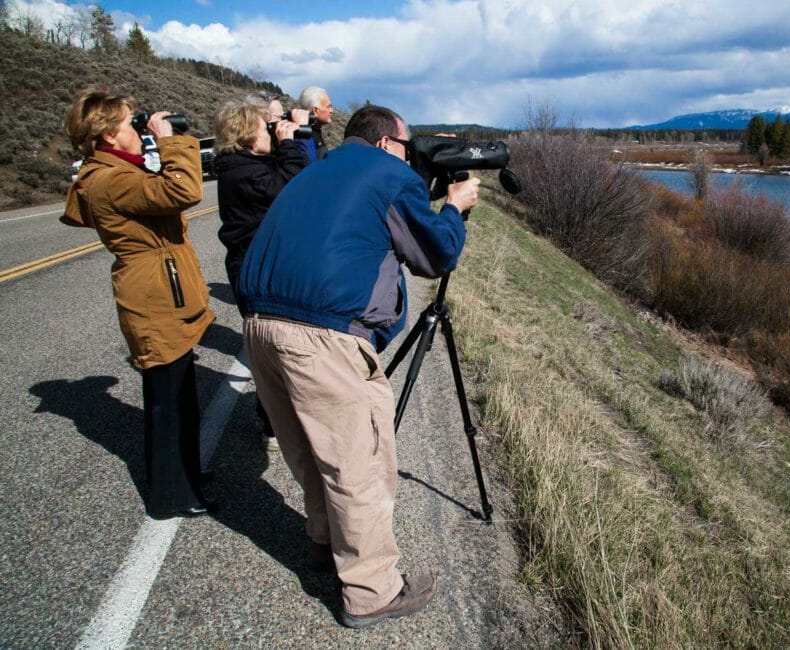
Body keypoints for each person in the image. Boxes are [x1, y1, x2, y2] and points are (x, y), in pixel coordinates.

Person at [236, 105, 479, 628]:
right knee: (358, 463)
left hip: (259, 325)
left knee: (310, 450)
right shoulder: (390, 173)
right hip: (320, 336)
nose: (411, 160)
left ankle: (326, 544)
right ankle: (372, 591)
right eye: (408, 149)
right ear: (390, 144)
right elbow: (434, 256)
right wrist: (455, 208)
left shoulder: (318, 167)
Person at [62, 85, 215, 519]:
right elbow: (184, 190)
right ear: (109, 135)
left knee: (180, 393)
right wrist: (169, 140)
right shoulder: (111, 179)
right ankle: (171, 495)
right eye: (131, 123)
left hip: (159, 288)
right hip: (153, 295)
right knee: (168, 401)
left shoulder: (113, 171)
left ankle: (184, 475)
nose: (138, 128)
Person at [213, 97, 310, 451]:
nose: (270, 132)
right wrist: (290, 142)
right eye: (263, 128)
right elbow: (294, 185)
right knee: (273, 350)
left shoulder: (243, 165)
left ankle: (274, 418)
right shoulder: (244, 172)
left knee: (272, 350)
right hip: (256, 271)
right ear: (249, 137)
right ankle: (273, 421)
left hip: (258, 265)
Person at [297, 85, 335, 160]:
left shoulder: (306, 132)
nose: (331, 111)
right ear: (315, 110)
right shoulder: (306, 137)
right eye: (328, 107)